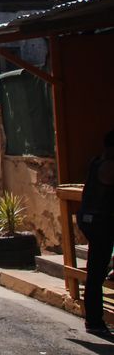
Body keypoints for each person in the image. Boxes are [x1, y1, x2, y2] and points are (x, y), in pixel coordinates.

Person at [76, 129, 114, 338]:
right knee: (96, 273)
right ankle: (94, 320)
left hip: (88, 219)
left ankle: (93, 319)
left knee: (95, 270)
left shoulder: (96, 162)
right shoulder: (109, 167)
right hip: (100, 222)